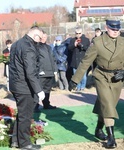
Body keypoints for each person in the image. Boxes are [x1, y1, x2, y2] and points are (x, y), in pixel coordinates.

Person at [69, 18, 124, 148]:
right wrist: (74, 80)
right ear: (106, 27)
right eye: (112, 29)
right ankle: (111, 137)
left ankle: (98, 129)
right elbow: (85, 62)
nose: (115, 31)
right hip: (101, 76)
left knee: (105, 105)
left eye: (117, 29)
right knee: (108, 105)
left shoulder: (123, 41)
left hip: (117, 78)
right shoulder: (98, 42)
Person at [9, 26, 45, 150]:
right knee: (26, 116)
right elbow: (30, 72)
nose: (40, 41)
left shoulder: (17, 44)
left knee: (22, 113)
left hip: (16, 84)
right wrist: (39, 90)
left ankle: (15, 140)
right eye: (39, 38)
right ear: (34, 35)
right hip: (24, 87)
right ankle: (24, 144)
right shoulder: (28, 47)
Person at [35, 31, 57, 112]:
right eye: (42, 37)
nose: (44, 39)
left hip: (50, 72)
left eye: (45, 37)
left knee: (47, 90)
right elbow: (35, 60)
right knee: (39, 89)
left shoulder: (49, 47)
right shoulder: (36, 47)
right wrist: (40, 70)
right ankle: (35, 106)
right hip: (41, 73)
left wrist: (55, 69)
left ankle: (46, 104)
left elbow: (53, 59)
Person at [68, 26, 90, 91]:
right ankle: (78, 86)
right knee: (76, 75)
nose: (78, 35)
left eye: (79, 33)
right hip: (75, 61)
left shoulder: (86, 40)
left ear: (82, 33)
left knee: (83, 76)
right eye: (76, 33)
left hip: (83, 61)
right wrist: (74, 45)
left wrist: (82, 46)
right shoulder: (72, 40)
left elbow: (88, 49)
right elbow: (69, 48)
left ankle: (82, 87)